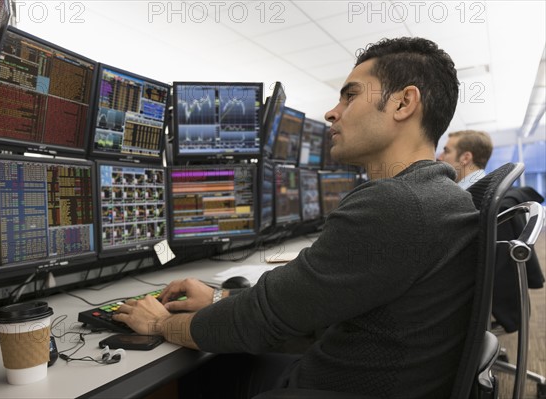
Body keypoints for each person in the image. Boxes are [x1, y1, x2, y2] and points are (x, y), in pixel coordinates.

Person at [113, 37, 479, 399]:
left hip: (323, 385)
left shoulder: (396, 203)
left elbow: (257, 323)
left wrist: (159, 323)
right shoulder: (437, 196)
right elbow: (305, 300)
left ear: (403, 102)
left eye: (349, 96)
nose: (332, 112)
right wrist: (217, 298)